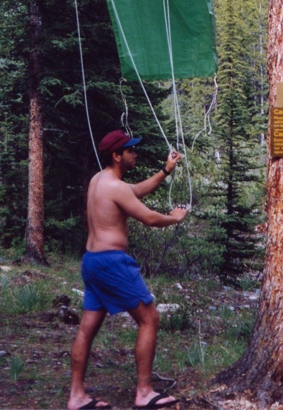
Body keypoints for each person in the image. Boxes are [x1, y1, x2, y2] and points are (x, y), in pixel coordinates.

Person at [67, 129, 188, 410]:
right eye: (130, 150)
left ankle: (76, 396)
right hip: (112, 263)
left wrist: (165, 170)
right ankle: (144, 392)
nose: (135, 153)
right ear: (116, 155)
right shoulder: (115, 186)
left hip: (92, 261)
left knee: (86, 330)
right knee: (149, 319)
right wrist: (174, 218)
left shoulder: (99, 180)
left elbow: (136, 190)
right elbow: (149, 218)